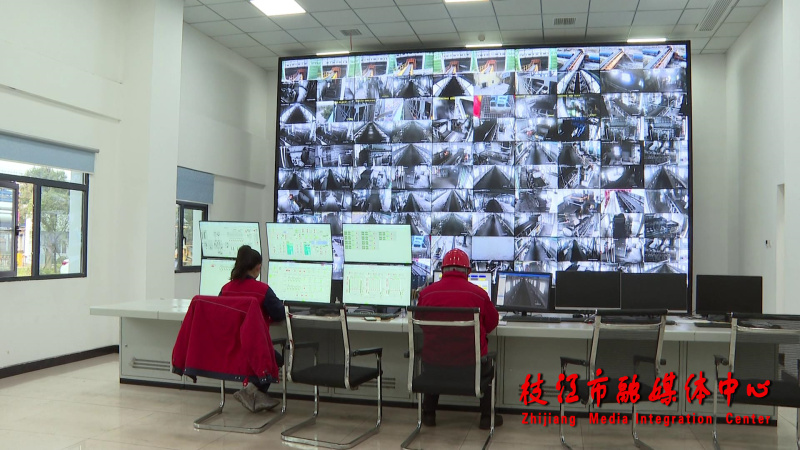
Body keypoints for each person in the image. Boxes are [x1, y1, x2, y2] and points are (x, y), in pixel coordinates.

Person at [416, 248, 503, 430]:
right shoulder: (479, 294)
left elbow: (421, 323)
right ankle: (486, 417)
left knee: (437, 356)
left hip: (434, 367)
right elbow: (492, 323)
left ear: (442, 269)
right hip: (471, 368)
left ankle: (429, 413)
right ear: (468, 271)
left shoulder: (426, 294)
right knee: (488, 364)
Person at [219, 245, 285, 413]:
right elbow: (279, 314)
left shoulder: (225, 289)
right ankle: (250, 391)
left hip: (230, 350)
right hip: (253, 350)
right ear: (257, 267)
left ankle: (255, 395)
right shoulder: (262, 290)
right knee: (275, 359)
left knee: (268, 356)